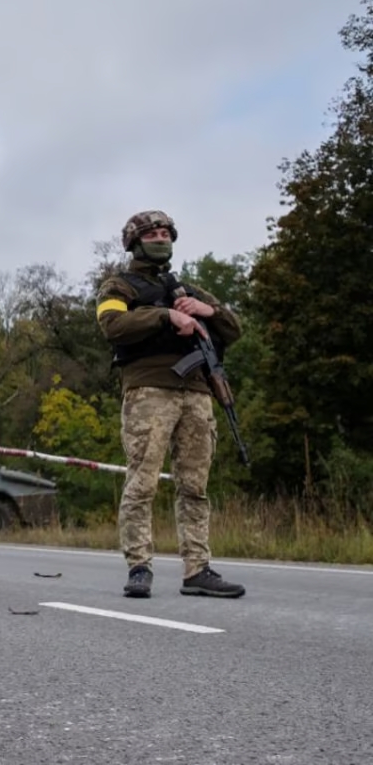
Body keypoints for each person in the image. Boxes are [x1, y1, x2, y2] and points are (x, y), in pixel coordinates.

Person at [97, 210, 245, 599]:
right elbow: (113, 326)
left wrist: (207, 311)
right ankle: (139, 566)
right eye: (153, 233)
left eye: (166, 233)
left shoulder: (189, 290)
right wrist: (165, 317)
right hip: (149, 392)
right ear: (135, 241)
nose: (161, 238)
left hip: (197, 393)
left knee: (195, 487)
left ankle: (197, 569)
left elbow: (235, 329)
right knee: (142, 482)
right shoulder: (119, 286)